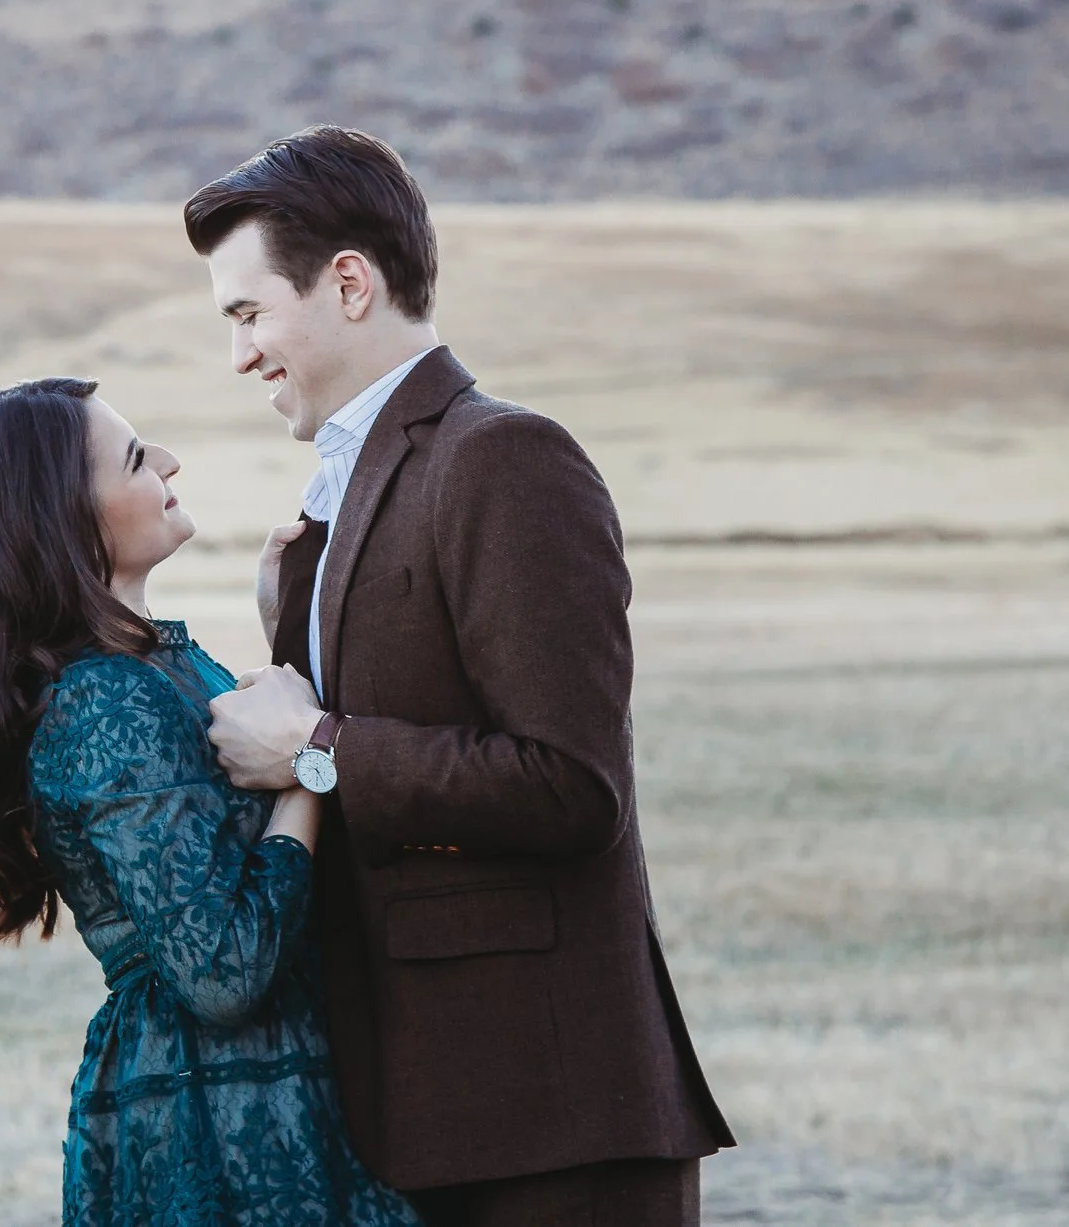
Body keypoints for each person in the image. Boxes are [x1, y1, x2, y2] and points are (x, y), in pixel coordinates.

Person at [186, 128, 733, 1227]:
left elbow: (569, 785)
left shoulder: (505, 457)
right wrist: (288, 619)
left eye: (248, 314)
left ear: (348, 283)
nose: (238, 355)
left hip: (548, 1115)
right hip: (425, 1107)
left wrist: (315, 748)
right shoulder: (349, 493)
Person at [0, 376, 420, 1227]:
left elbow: (250, 780)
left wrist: (288, 634)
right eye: (139, 458)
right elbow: (222, 967)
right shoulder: (106, 698)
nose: (173, 462)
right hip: (220, 1109)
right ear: (63, 519)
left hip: (255, 1082)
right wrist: (308, 769)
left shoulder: (153, 667)